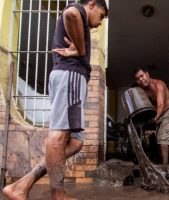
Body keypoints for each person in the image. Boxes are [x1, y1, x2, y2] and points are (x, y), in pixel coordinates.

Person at [3, 0, 108, 199]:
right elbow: (71, 13)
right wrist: (81, 50)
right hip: (70, 76)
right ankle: (58, 194)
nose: (100, 23)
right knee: (58, 137)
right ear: (92, 4)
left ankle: (22, 185)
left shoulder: (82, 21)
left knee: (76, 143)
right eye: (101, 16)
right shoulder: (77, 9)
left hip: (71, 79)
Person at [133, 67, 169, 170]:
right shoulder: (144, 91)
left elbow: (160, 104)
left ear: (147, 74)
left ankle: (165, 170)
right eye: (137, 79)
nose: (140, 79)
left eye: (142, 76)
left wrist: (156, 117)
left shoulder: (158, 84)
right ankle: (165, 164)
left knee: (163, 142)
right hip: (160, 114)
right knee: (160, 141)